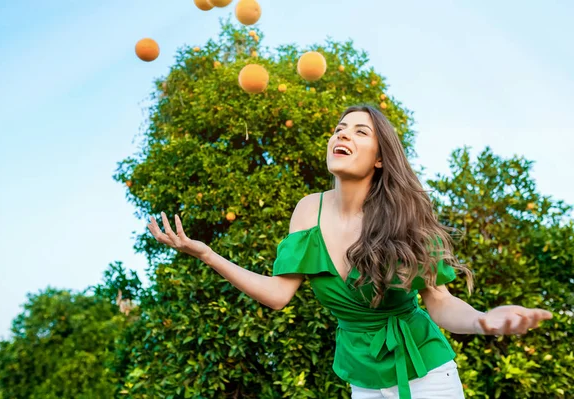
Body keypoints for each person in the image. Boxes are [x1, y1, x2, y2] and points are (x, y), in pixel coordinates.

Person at [147, 104, 553, 399]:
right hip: (362, 377)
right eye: (340, 128)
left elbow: (439, 302)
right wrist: (206, 255)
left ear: (379, 159)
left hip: (426, 373)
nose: (342, 134)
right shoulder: (308, 210)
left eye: (360, 131)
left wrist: (483, 320)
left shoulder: (405, 216)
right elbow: (278, 294)